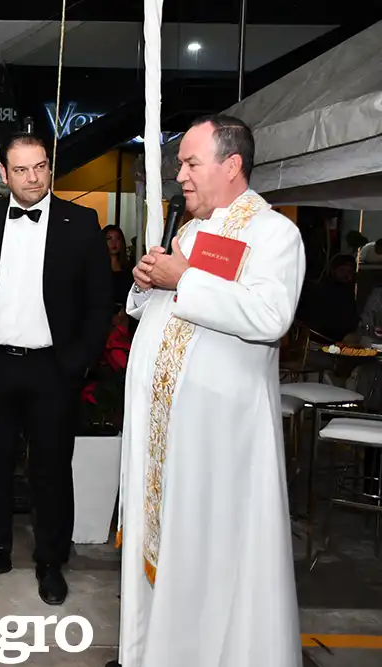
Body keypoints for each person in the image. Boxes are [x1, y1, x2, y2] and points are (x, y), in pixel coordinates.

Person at [109, 115, 304, 667]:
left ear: (232, 164)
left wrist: (183, 279)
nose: (181, 176)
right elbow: (166, 310)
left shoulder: (273, 233)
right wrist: (145, 284)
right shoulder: (193, 231)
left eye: (191, 163)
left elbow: (269, 316)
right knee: (168, 547)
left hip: (220, 439)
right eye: (180, 165)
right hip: (168, 432)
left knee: (212, 555)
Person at [0, 132, 113, 605]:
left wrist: (80, 360)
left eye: (40, 167)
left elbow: (100, 299)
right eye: (21, 170)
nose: (33, 178)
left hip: (53, 369)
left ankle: (51, 561)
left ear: (49, 167)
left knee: (52, 470)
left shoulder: (80, 222)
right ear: (4, 174)